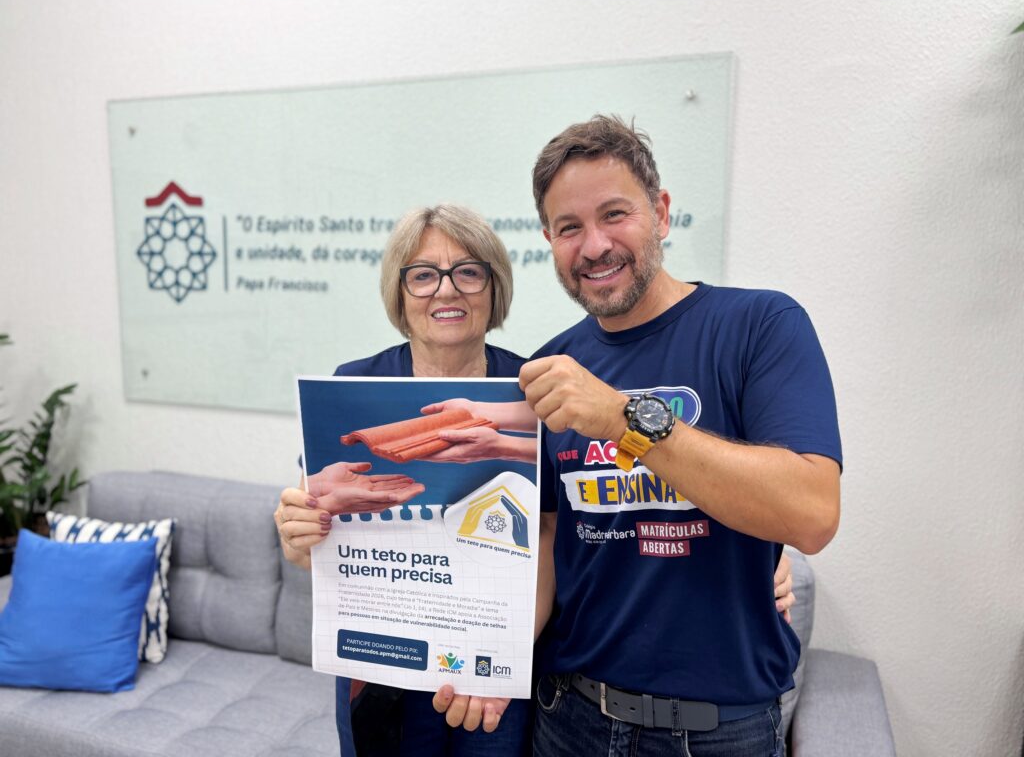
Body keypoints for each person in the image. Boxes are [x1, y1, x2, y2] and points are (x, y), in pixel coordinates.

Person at [437, 115, 841, 757]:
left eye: (614, 214)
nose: (594, 245)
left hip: (719, 732)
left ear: (661, 212)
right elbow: (544, 540)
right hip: (568, 717)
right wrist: (494, 653)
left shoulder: (760, 325)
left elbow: (812, 514)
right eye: (569, 227)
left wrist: (625, 418)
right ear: (549, 240)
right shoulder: (550, 369)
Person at [274, 204, 546, 757]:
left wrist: (504, 653)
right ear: (400, 294)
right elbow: (310, 549)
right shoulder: (352, 385)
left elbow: (548, 536)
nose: (446, 290)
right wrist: (299, 533)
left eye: (468, 272)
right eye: (423, 275)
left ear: (494, 287)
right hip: (380, 666)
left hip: (492, 674)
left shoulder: (534, 388)